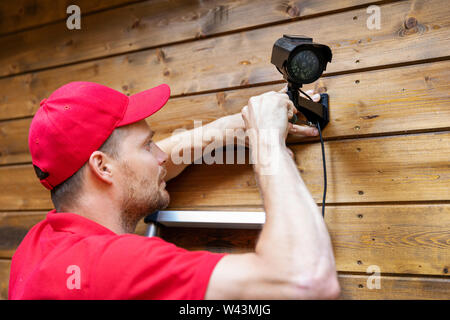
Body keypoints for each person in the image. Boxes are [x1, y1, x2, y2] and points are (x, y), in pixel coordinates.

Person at [8, 81, 339, 299]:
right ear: (102, 167)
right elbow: (305, 282)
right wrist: (269, 143)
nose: (162, 155)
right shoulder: (110, 266)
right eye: (148, 145)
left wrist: (223, 130)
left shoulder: (37, 248)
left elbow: (129, 170)